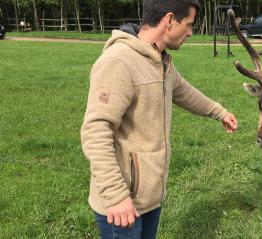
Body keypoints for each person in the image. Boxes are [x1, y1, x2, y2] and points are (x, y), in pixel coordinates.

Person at [80, 0, 238, 238]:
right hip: (122, 204)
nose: (191, 32)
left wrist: (220, 112)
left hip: (149, 197)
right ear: (170, 20)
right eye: (189, 24)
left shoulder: (160, 60)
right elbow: (95, 131)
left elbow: (184, 91)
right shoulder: (119, 61)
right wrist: (116, 195)